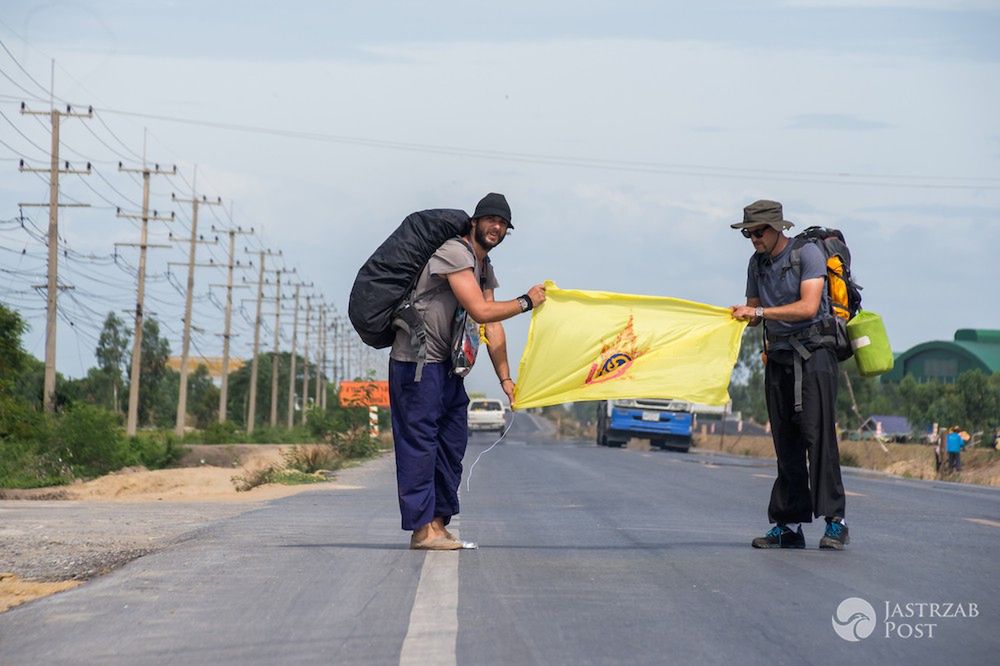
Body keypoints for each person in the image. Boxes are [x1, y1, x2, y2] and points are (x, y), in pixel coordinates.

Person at [389, 192, 545, 551]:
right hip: (417, 362)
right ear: (474, 222)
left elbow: (494, 328)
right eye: (491, 219)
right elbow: (479, 310)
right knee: (420, 445)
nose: (497, 227)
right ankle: (421, 530)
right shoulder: (455, 253)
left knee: (451, 443)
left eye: (504, 224)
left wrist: (506, 379)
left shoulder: (483, 266)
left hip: (447, 368)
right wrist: (525, 302)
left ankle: (438, 523)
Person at [730, 199, 849, 550]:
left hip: (814, 356)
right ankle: (788, 525)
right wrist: (742, 315)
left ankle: (836, 522)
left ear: (777, 228)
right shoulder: (757, 263)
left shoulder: (807, 255)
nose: (753, 239)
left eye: (758, 232)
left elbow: (809, 307)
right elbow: (754, 312)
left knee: (819, 439)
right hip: (779, 357)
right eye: (748, 233)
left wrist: (761, 311)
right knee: (786, 443)